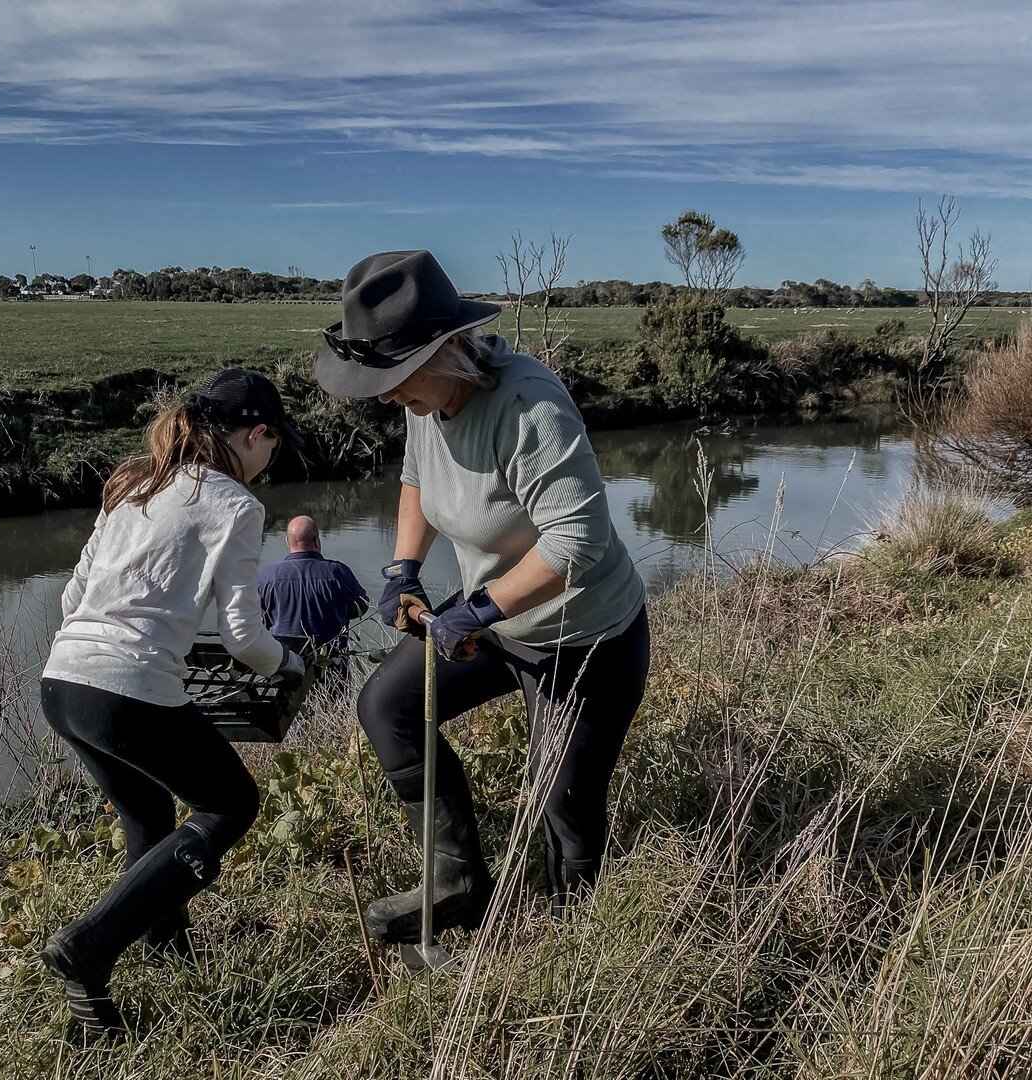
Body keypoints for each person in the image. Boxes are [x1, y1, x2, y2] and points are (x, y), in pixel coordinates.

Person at [315, 250, 650, 944]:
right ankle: (459, 883)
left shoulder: (529, 407)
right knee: (388, 706)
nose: (383, 397)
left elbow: (577, 541)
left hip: (580, 637)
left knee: (562, 801)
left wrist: (477, 611)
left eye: (392, 378)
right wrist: (404, 572)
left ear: (445, 349)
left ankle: (573, 943)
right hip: (496, 622)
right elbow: (417, 481)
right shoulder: (426, 399)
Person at [38, 368, 306, 1033]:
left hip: (62, 678)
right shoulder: (236, 506)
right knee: (231, 803)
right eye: (272, 446)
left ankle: (166, 951)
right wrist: (290, 662)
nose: (269, 461)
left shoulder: (132, 485)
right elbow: (245, 637)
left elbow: (74, 598)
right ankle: (90, 944)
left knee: (149, 811)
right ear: (256, 433)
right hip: (127, 687)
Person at [258, 515, 370, 680]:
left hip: (284, 669)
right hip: (331, 667)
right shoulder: (338, 573)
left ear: (287, 542)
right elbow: (362, 607)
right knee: (334, 704)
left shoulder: (267, 577)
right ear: (317, 540)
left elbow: (256, 618)